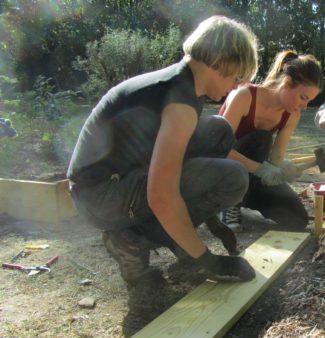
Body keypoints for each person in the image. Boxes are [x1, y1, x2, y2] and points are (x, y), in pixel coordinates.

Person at [66, 16, 259, 286]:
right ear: (222, 62)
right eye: (237, 77)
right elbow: (161, 195)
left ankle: (171, 237)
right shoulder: (180, 102)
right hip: (100, 197)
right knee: (234, 177)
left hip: (107, 184)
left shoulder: (180, 84)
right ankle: (131, 240)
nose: (235, 87)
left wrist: (213, 222)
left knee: (218, 132)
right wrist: (206, 260)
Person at [218, 50, 322, 232]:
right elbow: (218, 149)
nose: (304, 107)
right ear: (287, 82)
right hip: (221, 174)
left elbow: (275, 158)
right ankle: (227, 203)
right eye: (303, 98)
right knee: (261, 139)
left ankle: (244, 198)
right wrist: (260, 168)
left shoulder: (291, 114)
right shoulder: (244, 96)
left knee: (297, 219)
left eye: (309, 101)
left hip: (252, 177)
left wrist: (284, 168)